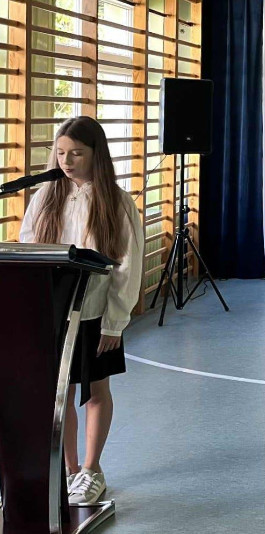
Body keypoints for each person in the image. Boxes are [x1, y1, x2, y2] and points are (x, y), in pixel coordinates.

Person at [19, 116, 144, 505]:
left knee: (95, 390)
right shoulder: (44, 197)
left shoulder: (116, 202)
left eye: (76, 153)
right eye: (60, 153)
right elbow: (28, 247)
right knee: (60, 393)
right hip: (53, 311)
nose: (67, 161)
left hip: (93, 314)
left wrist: (115, 322)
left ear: (95, 155)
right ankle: (69, 470)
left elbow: (127, 266)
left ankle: (92, 469)